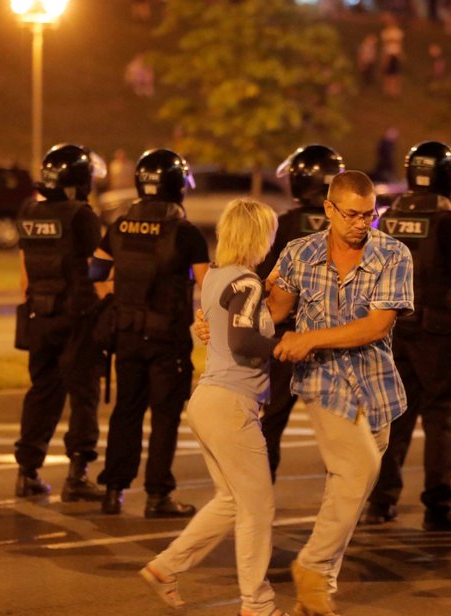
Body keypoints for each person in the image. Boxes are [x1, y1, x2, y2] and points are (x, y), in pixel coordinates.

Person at [269, 170, 413, 616]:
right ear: (328, 210)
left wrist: (310, 337)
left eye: (370, 214)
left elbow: (378, 324)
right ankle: (311, 567)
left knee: (348, 489)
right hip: (323, 382)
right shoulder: (298, 253)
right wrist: (220, 316)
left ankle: (317, 593)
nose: (361, 223)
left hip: (377, 386)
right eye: (351, 214)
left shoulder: (394, 253)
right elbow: (273, 310)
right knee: (357, 471)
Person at [142, 198, 285, 616]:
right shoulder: (246, 282)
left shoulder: (216, 276)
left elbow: (216, 329)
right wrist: (285, 347)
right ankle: (258, 605)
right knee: (258, 507)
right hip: (231, 403)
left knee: (230, 500)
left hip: (208, 398)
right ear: (257, 236)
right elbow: (243, 341)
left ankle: (165, 568)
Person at [362, 141, 451, 531]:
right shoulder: (445, 222)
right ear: (448, 177)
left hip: (393, 329)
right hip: (436, 333)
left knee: (394, 419)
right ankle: (438, 506)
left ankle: (380, 501)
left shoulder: (390, 216)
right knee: (439, 420)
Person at [90, 148, 209, 517]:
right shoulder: (186, 233)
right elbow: (208, 285)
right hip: (166, 338)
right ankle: (158, 495)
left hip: (126, 333)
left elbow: (96, 275)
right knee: (164, 416)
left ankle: (113, 490)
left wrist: (124, 300)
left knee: (126, 411)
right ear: (178, 186)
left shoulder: (120, 226)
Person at [13, 144, 108, 501]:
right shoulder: (81, 215)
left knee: (41, 392)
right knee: (83, 396)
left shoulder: (29, 211)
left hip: (39, 314)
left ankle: (27, 471)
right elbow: (96, 270)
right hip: (76, 318)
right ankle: (77, 474)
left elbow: (24, 273)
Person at [254, 144, 345, 481]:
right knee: (339, 430)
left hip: (288, 338)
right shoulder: (351, 225)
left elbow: (264, 281)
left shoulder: (286, 225)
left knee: (271, 420)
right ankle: (345, 503)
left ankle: (259, 492)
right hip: (336, 340)